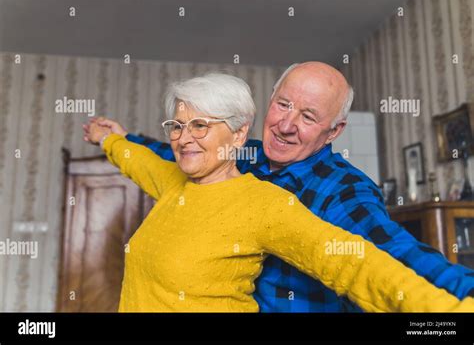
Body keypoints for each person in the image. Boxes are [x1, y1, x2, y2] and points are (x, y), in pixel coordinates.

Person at [91, 62, 474, 312]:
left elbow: (382, 257)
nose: (286, 125)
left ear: (334, 131)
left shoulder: (344, 189)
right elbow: (176, 154)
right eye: (283, 104)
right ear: (270, 101)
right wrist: (120, 140)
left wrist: (460, 301)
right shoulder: (242, 156)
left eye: (308, 116)